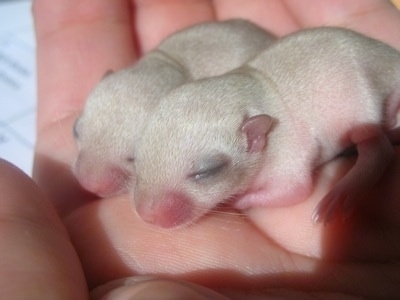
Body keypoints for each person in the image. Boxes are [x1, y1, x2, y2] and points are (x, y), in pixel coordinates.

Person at [1, 0, 400, 298]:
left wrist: (242, 194)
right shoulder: (201, 107)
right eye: (78, 131)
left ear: (255, 136)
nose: (89, 178)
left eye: (133, 157)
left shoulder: (262, 128)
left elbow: (289, 181)